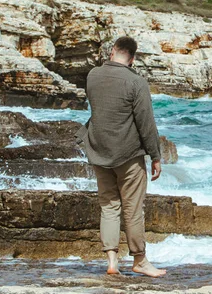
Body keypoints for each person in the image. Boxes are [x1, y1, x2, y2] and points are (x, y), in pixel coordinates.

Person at [75, 36, 166, 278]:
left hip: (99, 150)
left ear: (113, 51)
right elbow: (146, 124)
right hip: (128, 154)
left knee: (109, 206)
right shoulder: (136, 82)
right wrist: (155, 155)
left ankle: (112, 261)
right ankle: (140, 260)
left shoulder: (92, 76)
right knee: (133, 209)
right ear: (133, 58)